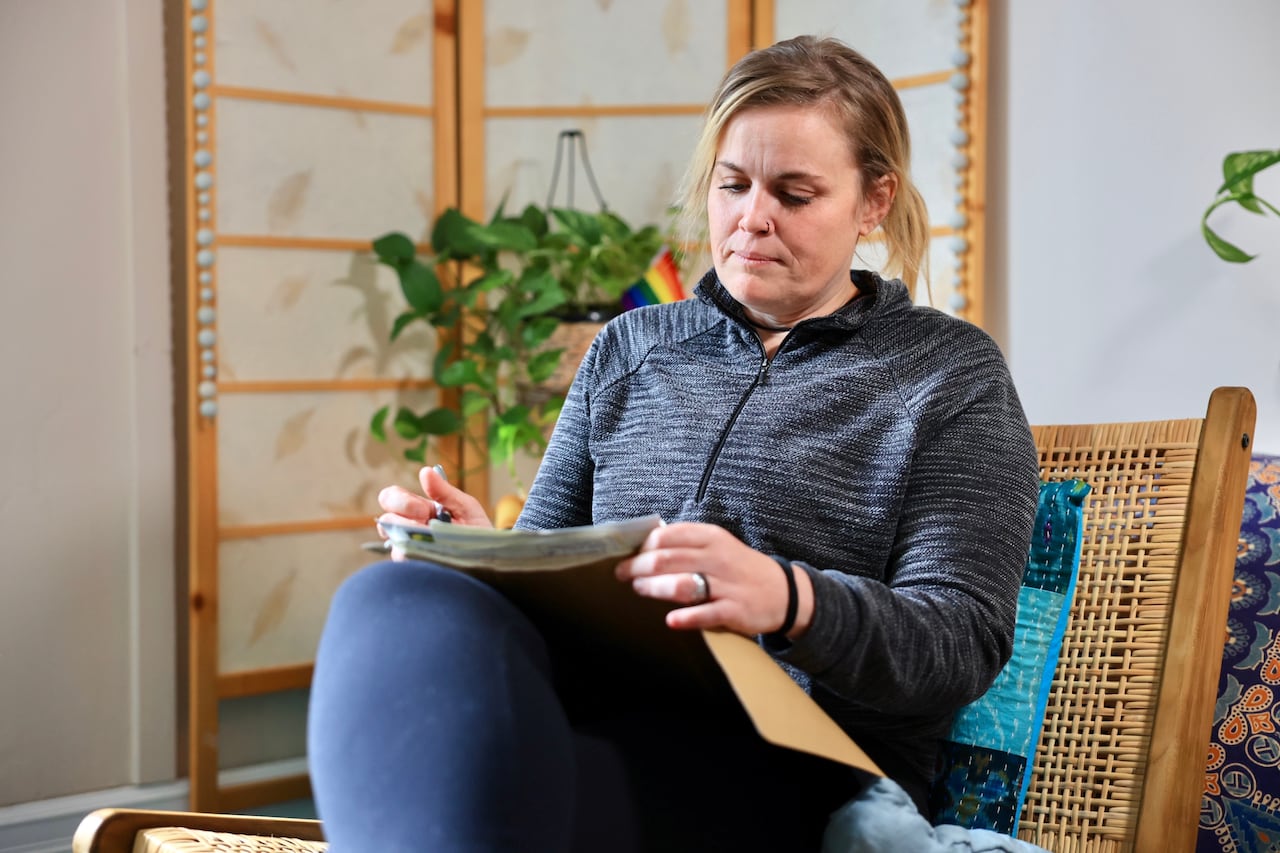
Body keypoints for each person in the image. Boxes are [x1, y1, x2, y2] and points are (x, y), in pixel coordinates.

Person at [307, 35, 1040, 853]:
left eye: (795, 194)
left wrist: (790, 598)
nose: (751, 217)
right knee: (392, 597)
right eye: (733, 184)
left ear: (875, 201)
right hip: (602, 713)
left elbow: (959, 643)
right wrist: (482, 553)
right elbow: (548, 563)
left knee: (491, 783)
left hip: (801, 771)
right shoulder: (630, 348)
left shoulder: (950, 373)